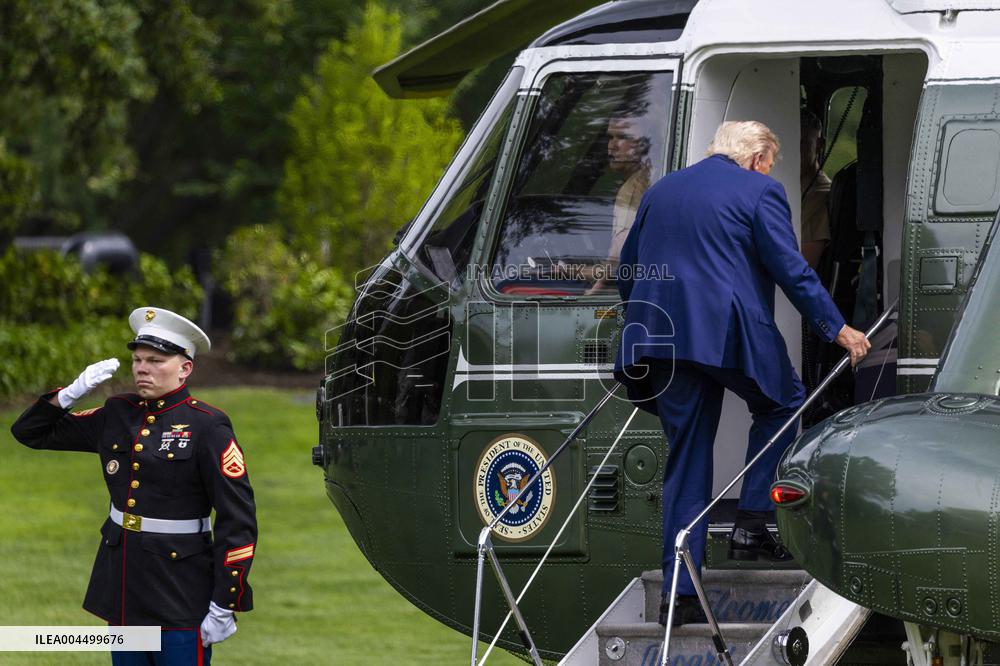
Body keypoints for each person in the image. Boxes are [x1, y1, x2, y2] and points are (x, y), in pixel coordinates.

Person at [614, 121, 870, 627]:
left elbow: (628, 269)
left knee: (686, 457)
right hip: (725, 331)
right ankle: (753, 520)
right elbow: (791, 269)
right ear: (755, 158)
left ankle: (679, 595)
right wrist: (839, 330)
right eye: (769, 163)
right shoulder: (761, 191)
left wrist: (648, 320)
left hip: (660, 338)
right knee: (784, 400)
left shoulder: (662, 189)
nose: (769, 172)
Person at [10, 307, 257, 665]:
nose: (142, 368)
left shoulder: (208, 427)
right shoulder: (117, 413)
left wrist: (225, 602)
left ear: (185, 368)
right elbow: (30, 433)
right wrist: (70, 393)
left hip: (180, 589)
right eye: (138, 359)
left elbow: (239, 521)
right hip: (125, 583)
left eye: (156, 360)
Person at [586, 114, 653, 294]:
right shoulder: (648, 177)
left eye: (623, 137)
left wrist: (595, 289)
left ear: (643, 145)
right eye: (610, 137)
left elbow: (618, 261)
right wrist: (569, 271)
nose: (612, 146)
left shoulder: (632, 190)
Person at [800, 109, 832, 269]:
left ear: (819, 145)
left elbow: (804, 266)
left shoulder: (818, 197)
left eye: (803, 144)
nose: (795, 152)